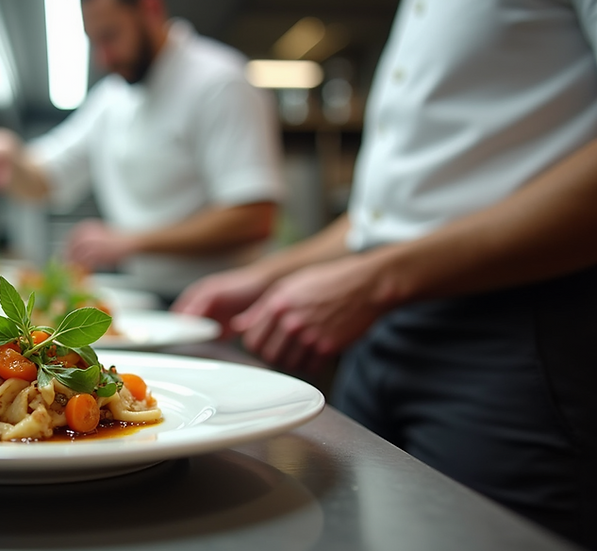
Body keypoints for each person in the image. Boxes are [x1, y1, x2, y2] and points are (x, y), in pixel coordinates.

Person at [173, 1, 597, 547]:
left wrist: (375, 280)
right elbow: (383, 218)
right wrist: (265, 275)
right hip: (382, 331)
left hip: (512, 335)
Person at [0, 0, 283, 299]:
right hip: (149, 297)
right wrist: (10, 154)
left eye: (110, 36)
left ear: (150, 9)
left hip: (222, 302)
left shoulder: (218, 82)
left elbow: (254, 217)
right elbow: (44, 179)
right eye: (94, 41)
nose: (103, 57)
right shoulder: (112, 99)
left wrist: (130, 241)